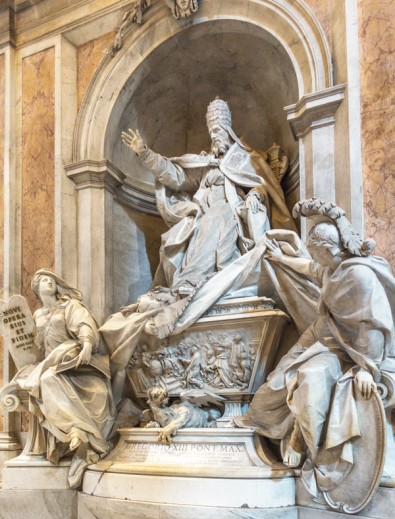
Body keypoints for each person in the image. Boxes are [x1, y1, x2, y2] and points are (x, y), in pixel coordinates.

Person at [235, 199, 395, 497]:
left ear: (327, 249)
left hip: (352, 351)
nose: (314, 256)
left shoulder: (359, 276)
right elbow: (308, 268)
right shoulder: (331, 269)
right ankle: (261, 425)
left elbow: (372, 325)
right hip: (322, 335)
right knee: (276, 383)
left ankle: (300, 438)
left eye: (316, 250)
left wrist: (366, 369)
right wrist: (280, 259)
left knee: (309, 379)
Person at [121, 98, 295, 297]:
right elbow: (176, 177)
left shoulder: (246, 158)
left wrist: (255, 195)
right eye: (211, 132)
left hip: (233, 211)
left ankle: (200, 280)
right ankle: (189, 281)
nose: (214, 136)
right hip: (202, 215)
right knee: (180, 235)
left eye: (218, 131)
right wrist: (145, 154)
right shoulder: (205, 164)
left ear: (228, 132)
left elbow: (263, 185)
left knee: (218, 217)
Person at [12, 269, 116, 487]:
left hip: (76, 363)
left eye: (52, 280)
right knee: (47, 378)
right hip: (52, 365)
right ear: (37, 290)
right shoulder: (38, 315)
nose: (49, 283)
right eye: (44, 281)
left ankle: (83, 434)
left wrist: (87, 345)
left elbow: (84, 324)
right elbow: (35, 346)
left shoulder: (69, 305)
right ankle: (77, 431)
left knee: (46, 376)